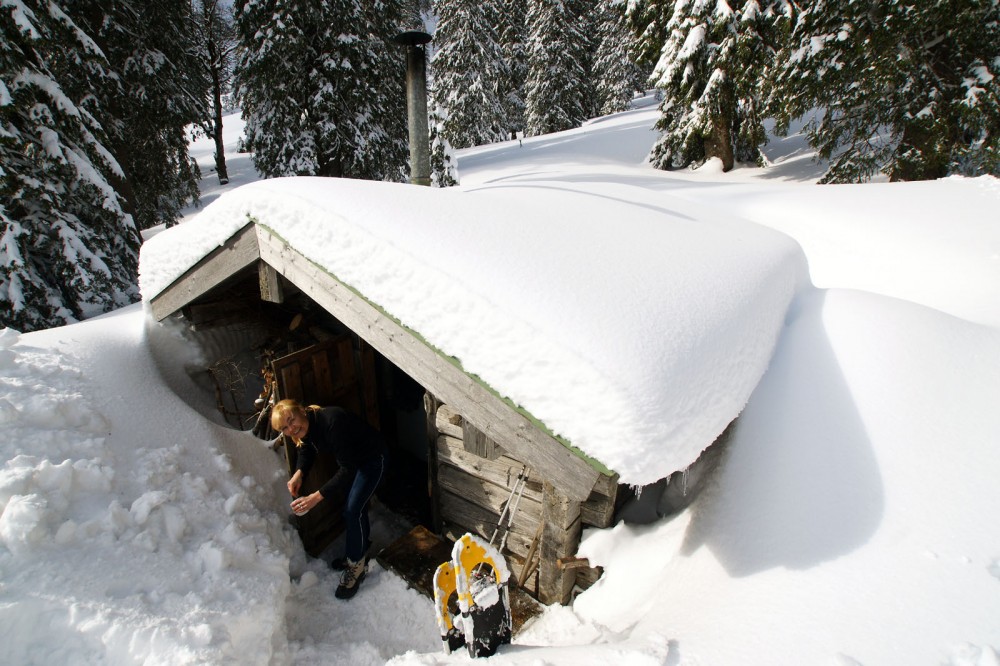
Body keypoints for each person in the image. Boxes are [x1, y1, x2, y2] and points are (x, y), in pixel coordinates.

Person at [271, 399, 388, 600]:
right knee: (353, 508)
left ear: (301, 410)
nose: (291, 428)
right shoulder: (307, 427)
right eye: (285, 428)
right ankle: (358, 550)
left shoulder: (332, 422)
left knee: (353, 510)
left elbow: (347, 469)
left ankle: (356, 566)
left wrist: (315, 498)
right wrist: (299, 472)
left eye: (291, 420)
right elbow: (306, 448)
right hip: (357, 463)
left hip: (373, 459)